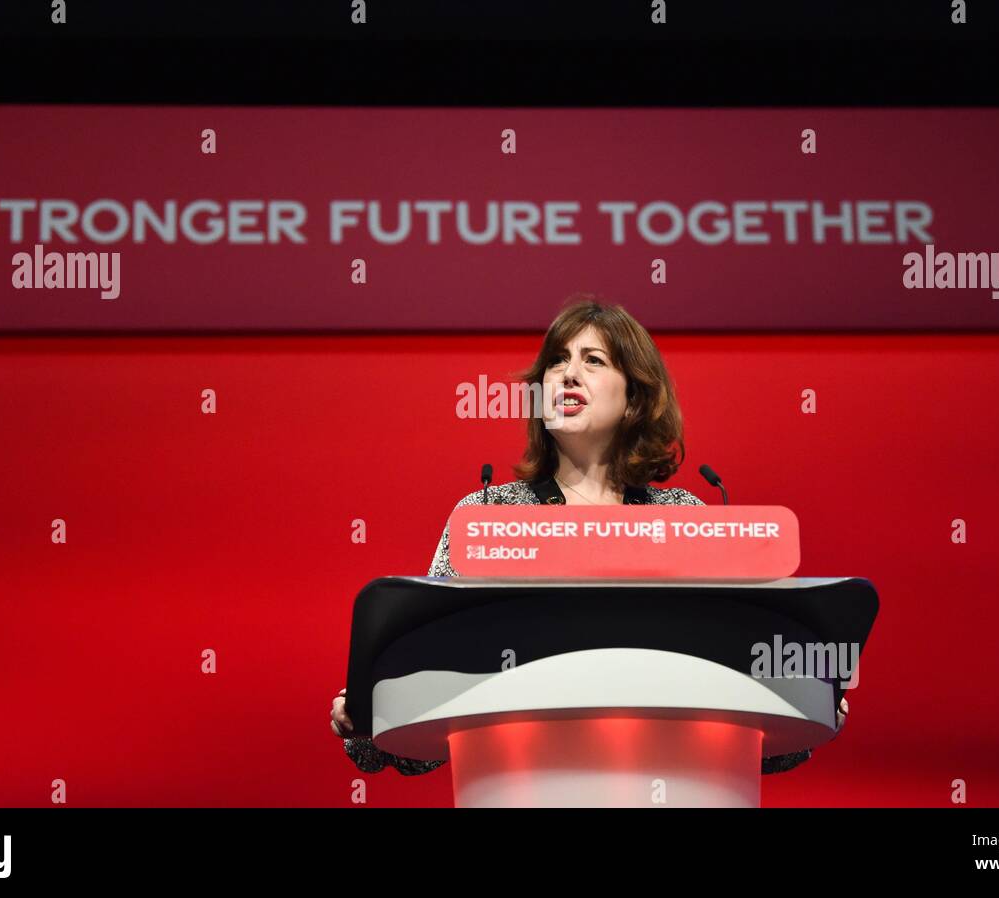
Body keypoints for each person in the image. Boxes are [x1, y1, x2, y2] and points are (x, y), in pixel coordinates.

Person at [330, 295, 848, 776]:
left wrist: (806, 696)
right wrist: (372, 715)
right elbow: (428, 711)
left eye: (593, 361)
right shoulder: (490, 514)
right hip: (523, 782)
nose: (568, 374)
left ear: (634, 401)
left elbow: (751, 721)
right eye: (557, 361)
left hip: (670, 780)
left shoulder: (684, 518)